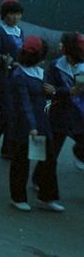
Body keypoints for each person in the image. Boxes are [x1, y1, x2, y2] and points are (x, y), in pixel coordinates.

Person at [9, 37, 61, 211]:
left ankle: (47, 197)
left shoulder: (39, 72)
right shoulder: (19, 75)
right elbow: (24, 104)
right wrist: (32, 126)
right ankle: (18, 197)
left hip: (41, 121)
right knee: (21, 160)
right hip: (25, 124)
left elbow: (44, 99)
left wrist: (51, 92)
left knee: (49, 158)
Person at [38, 32, 84, 180]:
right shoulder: (56, 65)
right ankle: (39, 179)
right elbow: (48, 89)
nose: (60, 46)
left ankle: (79, 154)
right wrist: (64, 91)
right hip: (59, 113)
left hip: (79, 113)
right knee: (53, 149)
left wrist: (59, 91)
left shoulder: (82, 67)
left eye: (63, 44)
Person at [0, 0, 25, 160]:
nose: (15, 18)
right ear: (4, 16)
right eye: (11, 14)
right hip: (1, 79)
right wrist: (3, 59)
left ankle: (4, 147)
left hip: (15, 78)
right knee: (8, 113)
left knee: (11, 114)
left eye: (18, 14)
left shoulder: (19, 31)